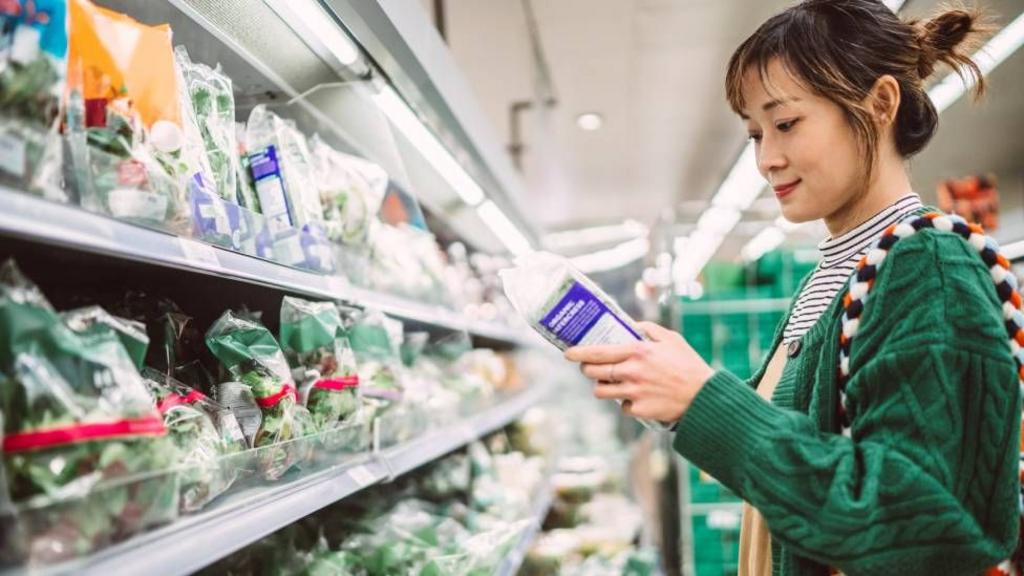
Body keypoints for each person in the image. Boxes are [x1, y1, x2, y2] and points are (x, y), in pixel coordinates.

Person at [565, 1, 1021, 575]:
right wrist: (674, 394)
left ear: (880, 105)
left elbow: (926, 528)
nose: (766, 159)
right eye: (755, 134)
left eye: (785, 124)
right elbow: (799, 455)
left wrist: (703, 397)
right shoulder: (831, 279)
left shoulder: (928, 266)